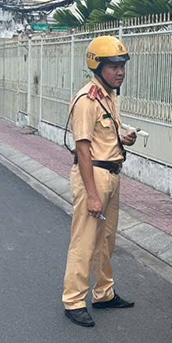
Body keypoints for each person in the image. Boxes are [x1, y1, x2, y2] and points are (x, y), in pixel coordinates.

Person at [62, 35, 137, 327]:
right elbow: (82, 149)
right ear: (97, 66)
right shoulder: (86, 100)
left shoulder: (109, 95)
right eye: (113, 66)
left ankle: (104, 293)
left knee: (106, 240)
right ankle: (73, 300)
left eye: (122, 65)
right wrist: (92, 194)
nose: (119, 71)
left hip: (112, 175)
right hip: (93, 177)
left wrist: (123, 138)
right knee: (84, 241)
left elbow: (106, 135)